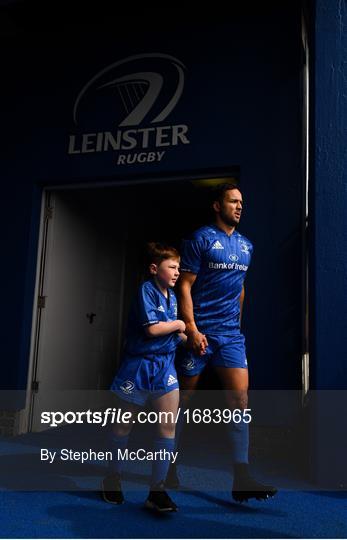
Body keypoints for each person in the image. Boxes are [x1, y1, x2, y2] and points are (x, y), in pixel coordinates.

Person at [165, 183, 277, 503]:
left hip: (230, 336)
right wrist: (191, 329)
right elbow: (184, 287)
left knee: (239, 401)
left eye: (242, 202)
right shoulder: (200, 239)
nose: (239, 206)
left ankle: (241, 477)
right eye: (233, 201)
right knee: (181, 403)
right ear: (218, 205)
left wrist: (236, 329)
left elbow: (240, 289)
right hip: (198, 334)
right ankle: (168, 466)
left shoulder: (246, 246)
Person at [101, 242, 186, 512]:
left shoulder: (172, 297)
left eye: (178, 267)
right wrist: (180, 324)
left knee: (167, 428)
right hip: (138, 367)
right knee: (123, 426)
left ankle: (156, 491)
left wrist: (189, 337)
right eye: (171, 267)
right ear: (154, 269)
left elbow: (170, 332)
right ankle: (112, 478)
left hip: (165, 368)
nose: (177, 272)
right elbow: (151, 330)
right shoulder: (145, 291)